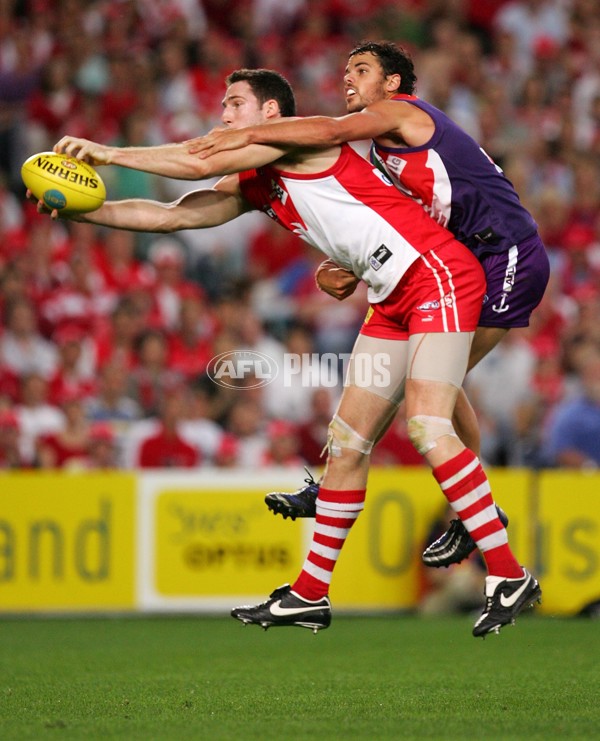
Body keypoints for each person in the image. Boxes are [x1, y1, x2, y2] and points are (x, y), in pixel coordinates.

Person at [38, 68, 540, 637]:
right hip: (390, 295)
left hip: (438, 278)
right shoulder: (256, 179)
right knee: (346, 445)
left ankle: (507, 574)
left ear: (271, 113)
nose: (224, 115)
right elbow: (172, 214)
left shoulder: (295, 137)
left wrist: (106, 155)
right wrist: (83, 210)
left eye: (235, 104)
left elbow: (199, 160)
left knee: (426, 424)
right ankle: (309, 595)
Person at [189, 40, 550, 565]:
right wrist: (349, 268)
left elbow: (330, 130)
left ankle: (466, 512)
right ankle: (464, 509)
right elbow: (397, 224)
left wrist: (243, 135)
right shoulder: (381, 148)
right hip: (471, 258)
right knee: (419, 386)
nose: (348, 78)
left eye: (361, 69)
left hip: (507, 253)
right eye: (346, 70)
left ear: (394, 84)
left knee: (419, 387)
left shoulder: (399, 114)